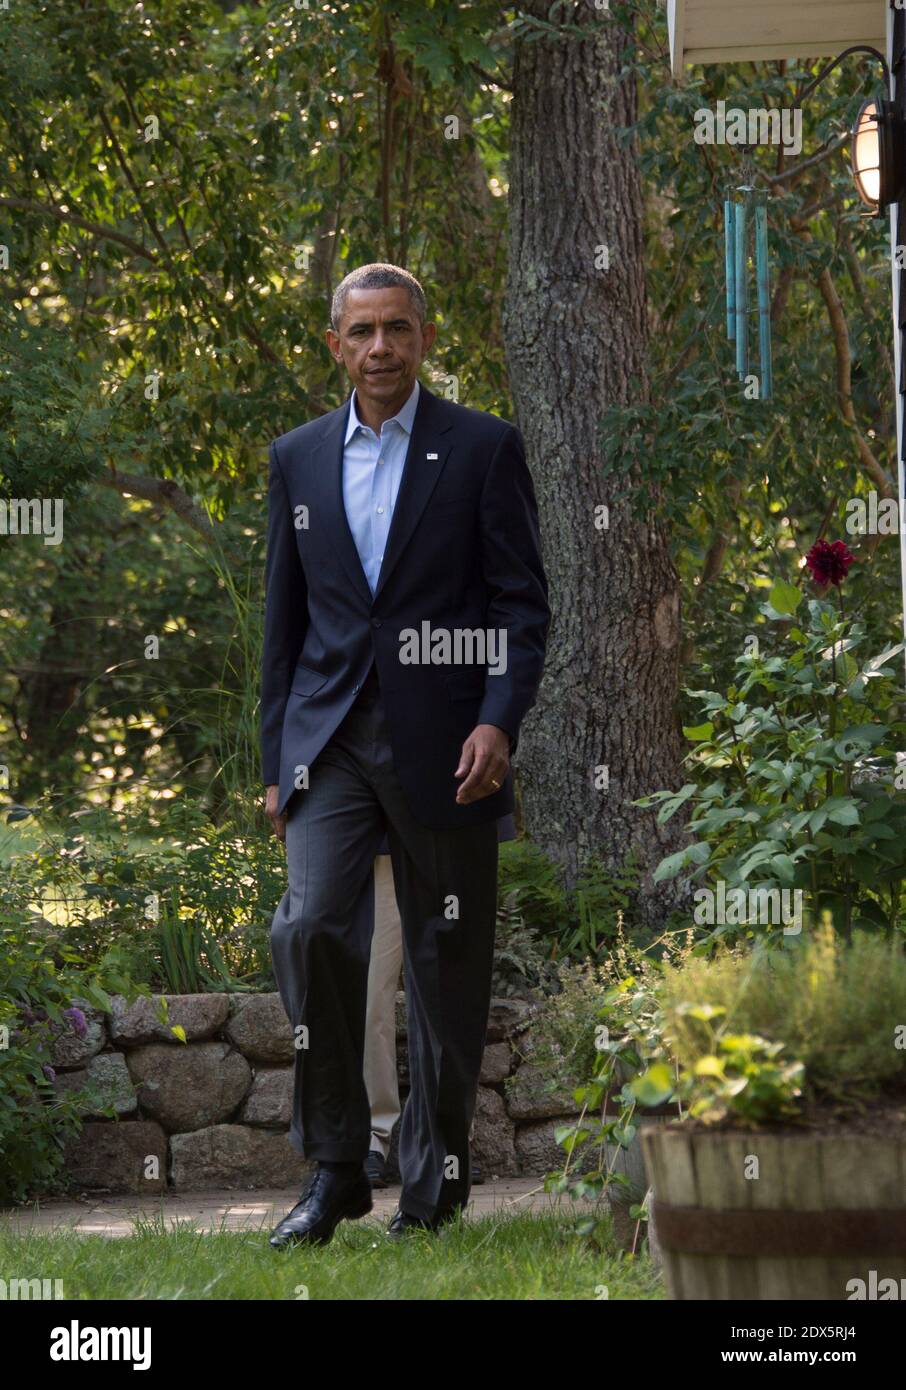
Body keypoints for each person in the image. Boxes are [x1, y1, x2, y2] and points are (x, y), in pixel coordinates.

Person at [261, 262, 549, 1247]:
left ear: (424, 338)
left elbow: (520, 606)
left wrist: (499, 721)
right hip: (330, 738)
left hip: (450, 740)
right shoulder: (297, 459)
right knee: (307, 928)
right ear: (335, 344)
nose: (380, 347)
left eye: (398, 329)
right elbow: (283, 625)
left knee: (445, 962)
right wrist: (276, 757)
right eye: (362, 331)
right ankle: (339, 1166)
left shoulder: (481, 448)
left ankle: (434, 1187)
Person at [363, 814, 516, 1190]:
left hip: (452, 814)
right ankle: (368, 1139)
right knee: (368, 996)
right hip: (373, 829)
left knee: (449, 992)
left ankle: (447, 1142)